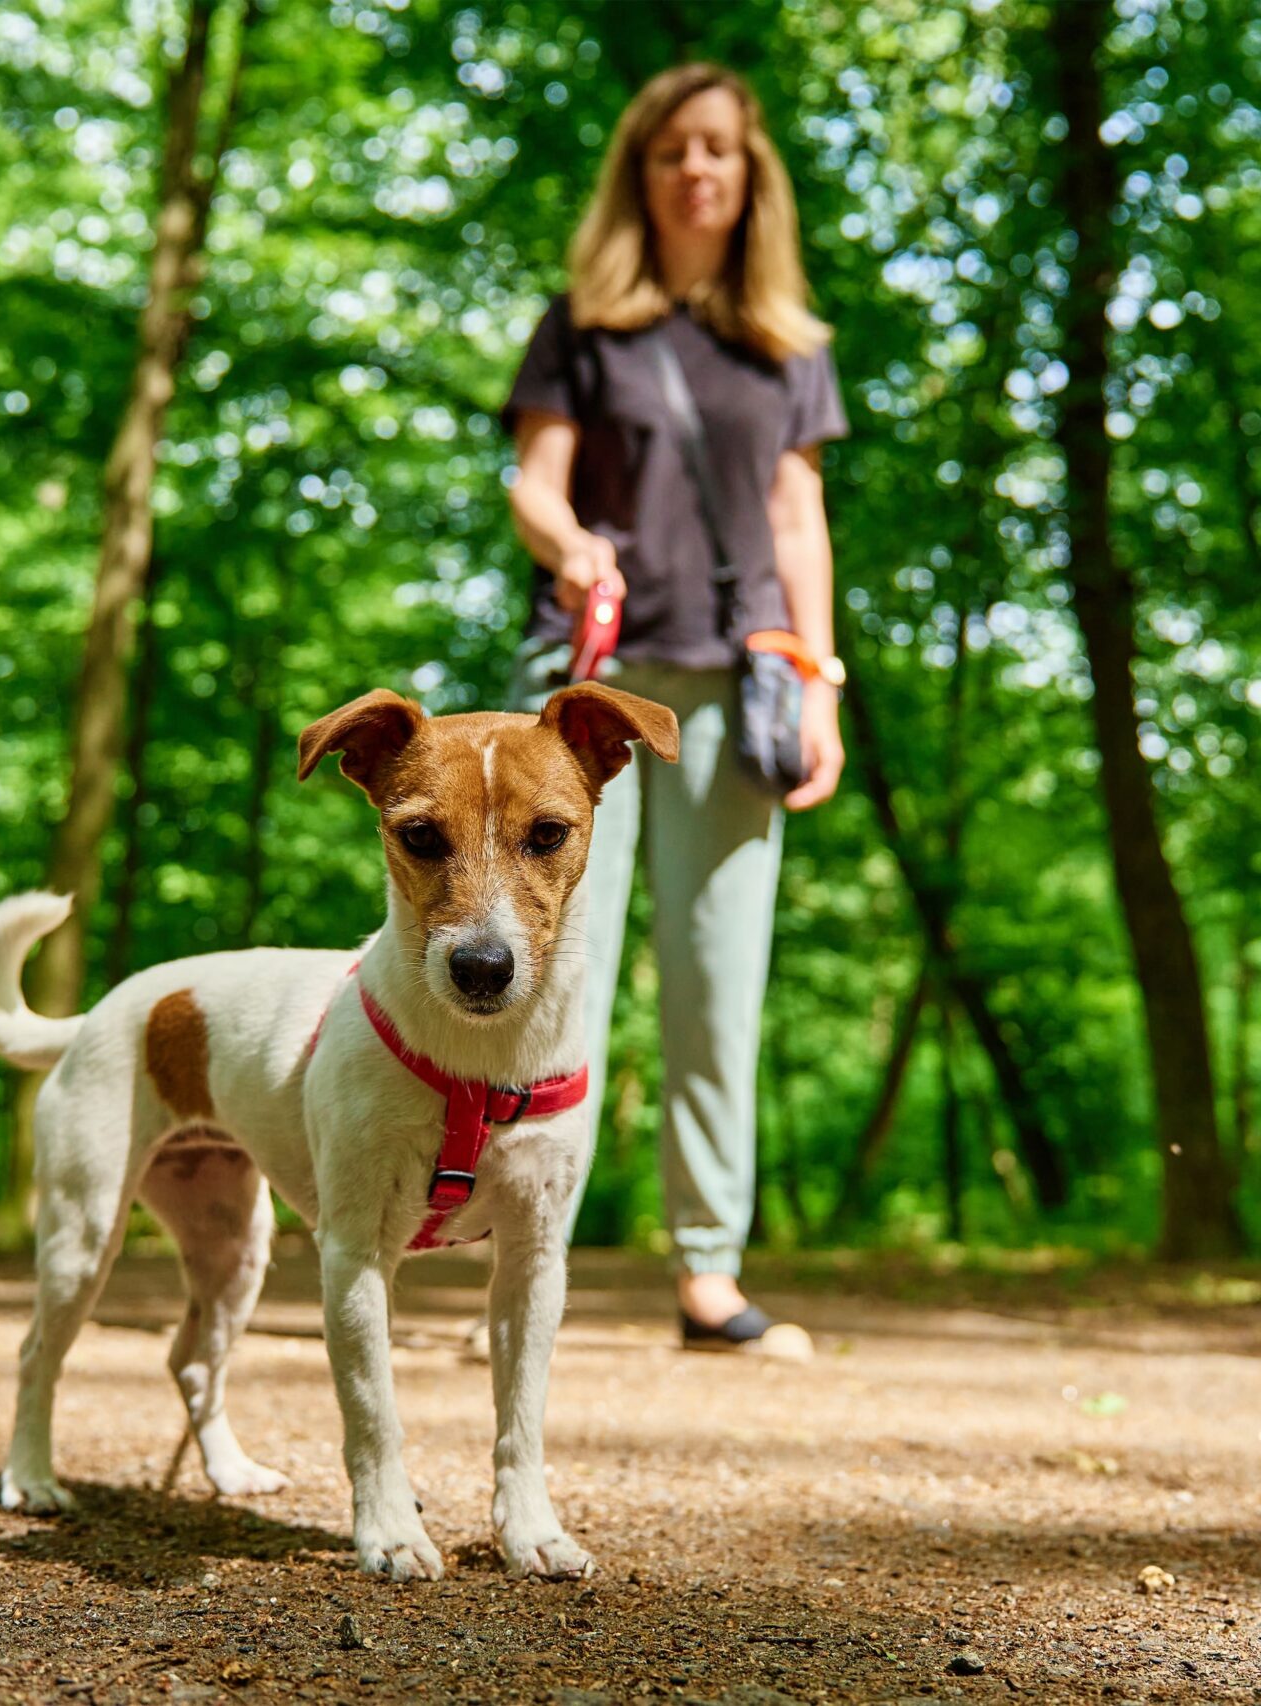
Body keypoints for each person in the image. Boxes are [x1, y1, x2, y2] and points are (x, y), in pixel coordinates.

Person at [501, 63, 848, 1356]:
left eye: (717, 150)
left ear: (750, 175)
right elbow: (533, 483)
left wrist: (819, 675)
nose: (695, 170)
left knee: (720, 986)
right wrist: (573, 545)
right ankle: (533, 1241)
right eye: (669, 152)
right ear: (638, 174)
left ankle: (710, 1272)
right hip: (600, 701)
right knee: (560, 969)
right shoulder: (582, 326)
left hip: (744, 685)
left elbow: (797, 516)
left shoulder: (787, 348)